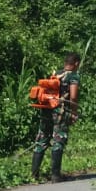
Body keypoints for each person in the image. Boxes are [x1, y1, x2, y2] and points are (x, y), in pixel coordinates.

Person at [32, 53, 81, 183]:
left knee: (42, 138)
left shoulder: (55, 73)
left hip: (46, 109)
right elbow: (74, 96)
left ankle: (33, 175)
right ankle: (55, 175)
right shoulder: (73, 76)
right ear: (76, 63)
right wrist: (74, 112)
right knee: (59, 139)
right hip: (60, 111)